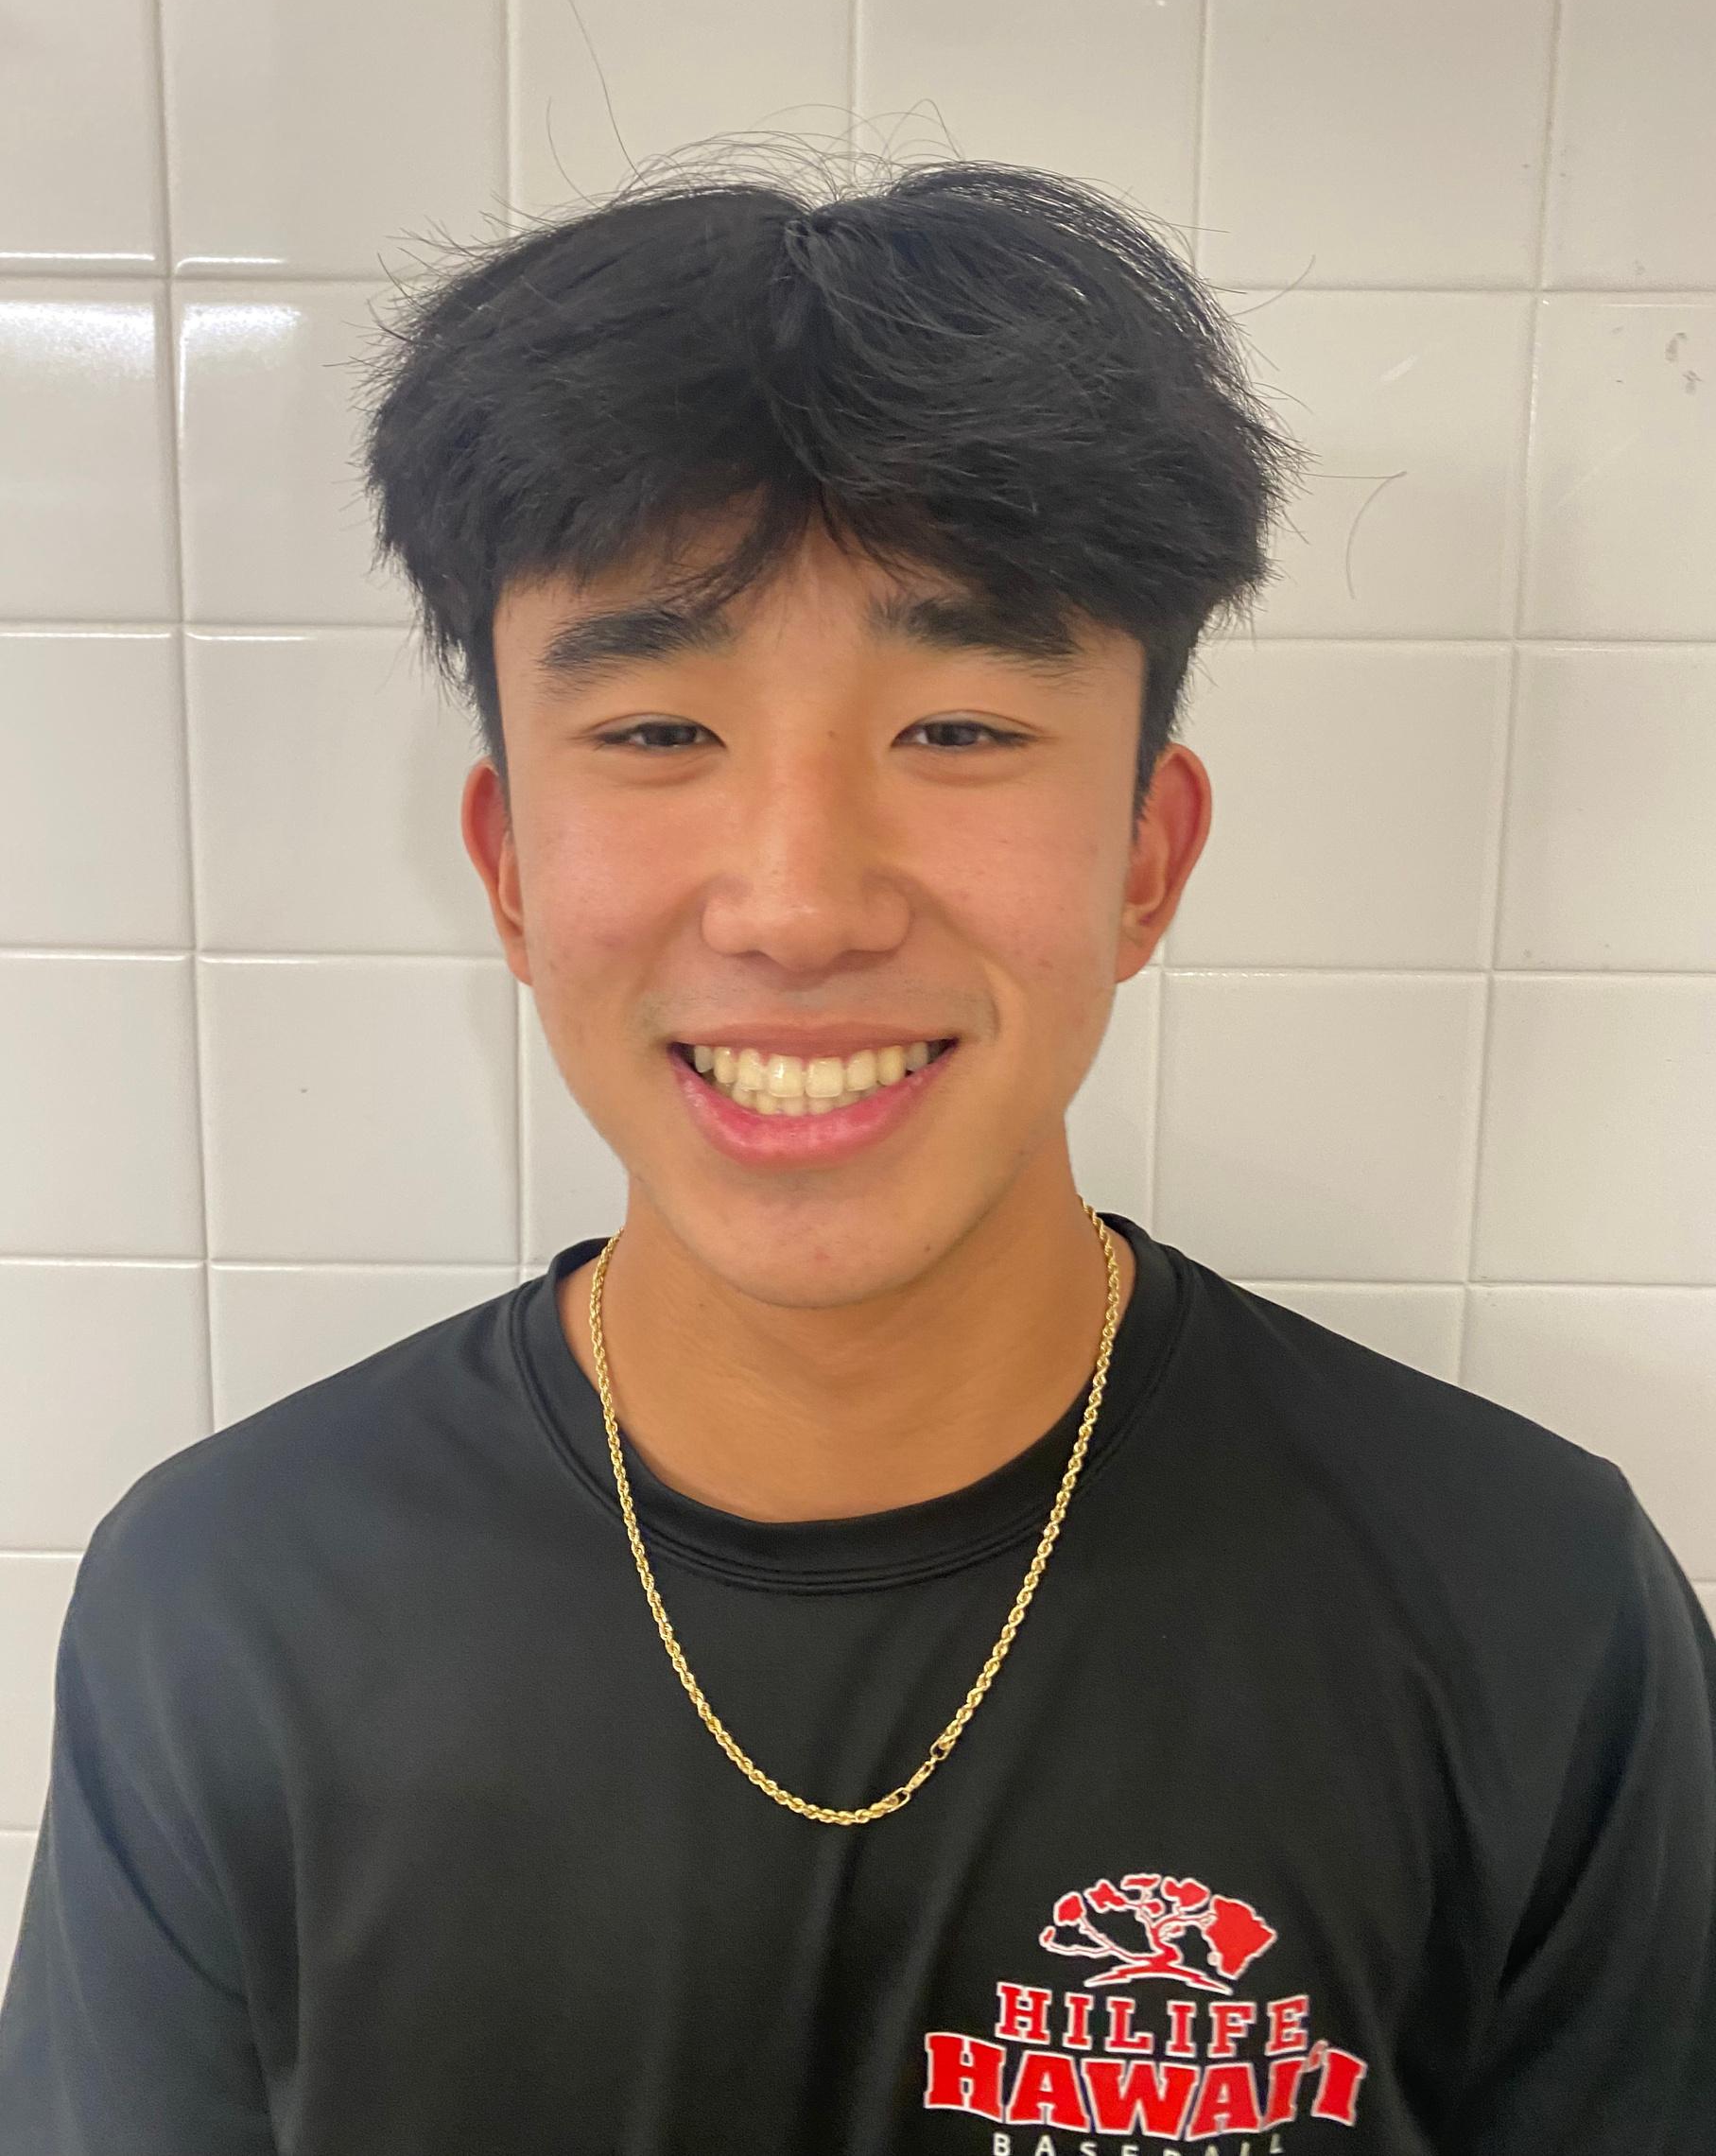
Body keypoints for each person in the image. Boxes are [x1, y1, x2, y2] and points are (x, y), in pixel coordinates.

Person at [2, 150, 1711, 2156]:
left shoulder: (1528, 1607)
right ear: (510, 868)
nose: (798, 906)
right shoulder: (226, 1608)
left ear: (1145, 858)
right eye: (657, 733)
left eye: (959, 731)